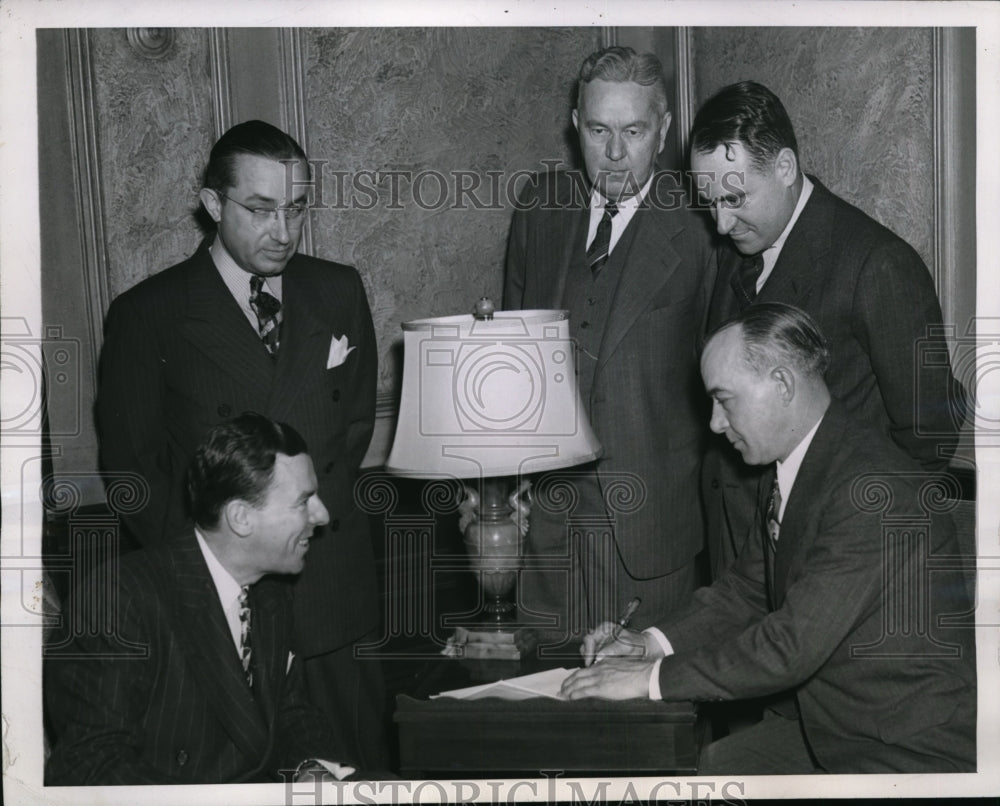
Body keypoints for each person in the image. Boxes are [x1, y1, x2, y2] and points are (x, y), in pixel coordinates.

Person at [561, 304, 976, 774]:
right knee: (710, 771)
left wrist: (647, 679)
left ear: (781, 384)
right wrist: (651, 644)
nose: (715, 423)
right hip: (830, 723)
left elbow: (789, 647)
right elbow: (749, 590)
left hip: (902, 750)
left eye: (725, 400)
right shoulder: (796, 461)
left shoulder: (872, 491)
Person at [94, 121, 385, 766]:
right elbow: (132, 472)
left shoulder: (339, 289)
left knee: (355, 774)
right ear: (213, 204)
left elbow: (354, 428)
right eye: (259, 209)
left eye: (298, 207)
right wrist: (217, 574)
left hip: (335, 596)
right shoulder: (149, 314)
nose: (284, 231)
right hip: (222, 613)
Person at [692, 81, 967, 579]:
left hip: (832, 558)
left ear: (784, 168)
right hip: (738, 562)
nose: (720, 223)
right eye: (709, 201)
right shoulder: (735, 251)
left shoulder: (878, 265)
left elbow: (931, 438)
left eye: (734, 198)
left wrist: (852, 533)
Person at [503, 46, 714, 642]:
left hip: (651, 541)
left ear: (664, 129)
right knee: (545, 706)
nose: (615, 152)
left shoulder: (702, 227)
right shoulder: (540, 209)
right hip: (547, 536)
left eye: (634, 131)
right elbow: (514, 367)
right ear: (576, 126)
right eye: (598, 130)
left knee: (644, 726)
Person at [46, 414, 364, 784]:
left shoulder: (270, 593)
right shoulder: (119, 599)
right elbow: (93, 764)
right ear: (241, 518)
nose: (322, 515)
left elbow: (290, 714)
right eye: (303, 501)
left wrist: (309, 769)